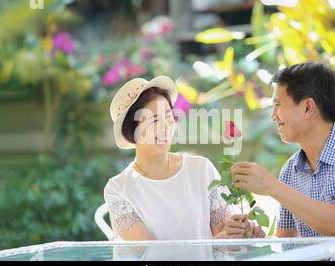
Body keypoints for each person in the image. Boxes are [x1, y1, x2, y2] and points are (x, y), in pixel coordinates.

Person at [230, 62, 335, 260]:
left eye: (278, 105)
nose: (273, 116)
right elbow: (288, 243)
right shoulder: (290, 170)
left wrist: (271, 187)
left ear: (307, 108)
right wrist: (255, 240)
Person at [104, 75, 264, 241]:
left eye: (168, 116)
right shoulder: (118, 189)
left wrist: (240, 232)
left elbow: (223, 234)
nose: (166, 126)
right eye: (154, 120)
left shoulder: (200, 169)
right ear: (132, 132)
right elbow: (146, 254)